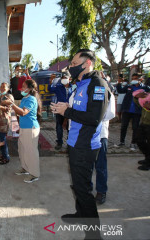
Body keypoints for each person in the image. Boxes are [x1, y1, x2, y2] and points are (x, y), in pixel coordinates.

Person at [51, 49, 111, 240]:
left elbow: (94, 118)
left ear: (87, 64)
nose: (71, 66)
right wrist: (65, 110)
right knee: (77, 185)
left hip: (85, 146)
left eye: (75, 63)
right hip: (75, 142)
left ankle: (94, 235)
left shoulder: (98, 85)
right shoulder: (81, 84)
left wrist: (66, 111)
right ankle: (80, 214)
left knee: (83, 190)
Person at [7, 79, 42, 183]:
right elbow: (19, 114)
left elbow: (23, 113)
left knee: (31, 152)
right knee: (22, 150)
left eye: (23, 86)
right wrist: (19, 126)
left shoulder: (31, 99)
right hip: (24, 128)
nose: (21, 88)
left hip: (31, 128)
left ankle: (34, 174)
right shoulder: (24, 99)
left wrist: (12, 104)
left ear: (29, 89)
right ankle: (25, 168)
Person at [115, 73, 147, 150]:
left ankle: (133, 143)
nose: (134, 80)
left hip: (137, 111)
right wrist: (119, 83)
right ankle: (122, 142)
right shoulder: (129, 87)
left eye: (136, 78)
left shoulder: (145, 88)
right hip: (126, 110)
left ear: (141, 79)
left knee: (135, 127)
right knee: (123, 127)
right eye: (133, 78)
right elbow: (120, 91)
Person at [93, 92, 115, 204]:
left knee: (100, 165)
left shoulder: (105, 92)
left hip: (100, 135)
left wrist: (89, 116)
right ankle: (86, 188)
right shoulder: (79, 89)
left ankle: (101, 191)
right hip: (83, 135)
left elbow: (110, 114)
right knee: (85, 165)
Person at [49, 72, 73, 150]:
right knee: (59, 127)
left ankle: (69, 144)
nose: (63, 80)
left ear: (69, 79)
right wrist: (51, 80)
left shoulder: (73, 88)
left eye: (65, 78)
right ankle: (59, 143)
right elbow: (50, 89)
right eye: (62, 78)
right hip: (59, 110)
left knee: (69, 127)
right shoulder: (58, 87)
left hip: (70, 110)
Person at [10, 64, 31, 132]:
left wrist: (27, 74)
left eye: (20, 69)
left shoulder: (24, 78)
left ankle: (24, 128)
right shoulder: (12, 79)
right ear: (15, 70)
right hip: (15, 100)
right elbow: (9, 88)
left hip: (23, 99)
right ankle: (20, 127)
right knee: (17, 116)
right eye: (17, 69)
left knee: (23, 114)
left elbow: (31, 83)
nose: (18, 71)